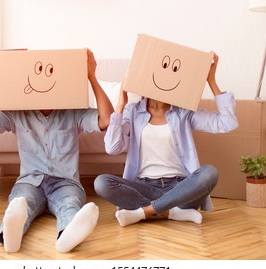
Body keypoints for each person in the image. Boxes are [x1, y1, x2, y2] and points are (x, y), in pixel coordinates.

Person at [0, 49, 114, 253]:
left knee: (70, 204)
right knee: (21, 204)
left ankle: (66, 237)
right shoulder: (18, 113)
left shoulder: (73, 111)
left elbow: (107, 120)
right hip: (30, 181)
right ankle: (11, 237)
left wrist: (91, 76)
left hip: (65, 182)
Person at [94, 52, 239, 227]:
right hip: (143, 187)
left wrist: (211, 81)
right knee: (101, 183)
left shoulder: (183, 112)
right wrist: (120, 105)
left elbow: (227, 123)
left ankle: (146, 212)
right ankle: (172, 212)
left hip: (180, 187)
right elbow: (112, 148)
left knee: (210, 173)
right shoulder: (132, 112)